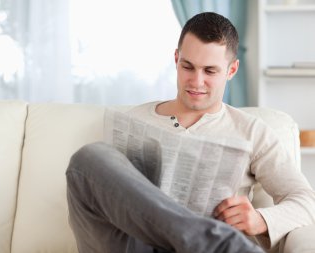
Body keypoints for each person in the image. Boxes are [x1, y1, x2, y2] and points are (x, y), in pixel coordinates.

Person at [66, 12, 315, 253]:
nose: (196, 82)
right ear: (176, 59)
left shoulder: (252, 131)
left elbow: (306, 201)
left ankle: (207, 241)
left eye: (210, 71)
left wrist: (260, 219)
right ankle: (211, 239)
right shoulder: (133, 121)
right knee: (86, 160)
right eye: (188, 67)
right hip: (135, 246)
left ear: (231, 70)